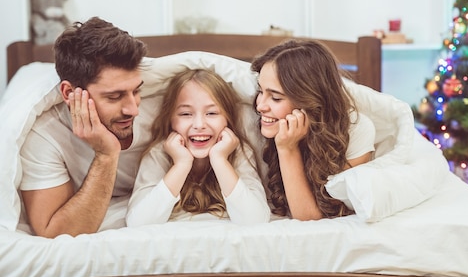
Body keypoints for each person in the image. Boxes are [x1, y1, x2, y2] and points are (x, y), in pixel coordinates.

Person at [19, 17, 149, 238]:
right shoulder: (44, 133)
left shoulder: (167, 102)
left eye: (136, 91)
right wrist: (106, 155)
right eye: (114, 96)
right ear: (70, 93)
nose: (132, 109)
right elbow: (55, 232)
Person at [251, 39, 376, 220]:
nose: (260, 106)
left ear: (308, 100)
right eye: (260, 91)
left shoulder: (356, 130)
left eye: (276, 98)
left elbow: (309, 218)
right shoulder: (252, 123)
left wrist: (288, 148)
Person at [126, 69, 270, 226]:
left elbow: (255, 220)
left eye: (212, 113)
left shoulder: (238, 151)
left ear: (227, 119)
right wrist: (181, 164)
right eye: (186, 114)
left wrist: (220, 160)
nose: (199, 125)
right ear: (170, 120)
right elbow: (138, 223)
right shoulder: (160, 152)